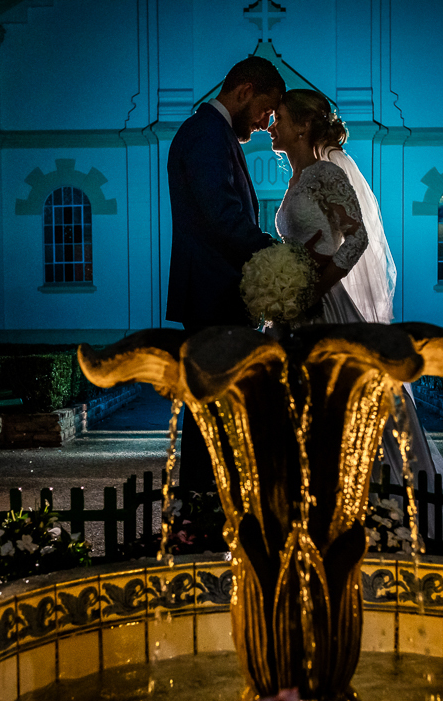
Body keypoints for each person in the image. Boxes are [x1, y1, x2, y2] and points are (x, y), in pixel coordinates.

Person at [268, 88, 443, 539]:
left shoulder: (326, 174)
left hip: (328, 308)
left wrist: (312, 287)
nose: (271, 126)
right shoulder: (295, 180)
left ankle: (385, 512)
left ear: (303, 126)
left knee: (357, 404)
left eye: (279, 118)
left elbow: (358, 238)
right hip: (296, 314)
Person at [165, 56, 285, 494]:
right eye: (265, 110)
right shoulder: (206, 134)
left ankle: (212, 497)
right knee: (210, 409)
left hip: (216, 292)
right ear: (246, 91)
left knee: (216, 406)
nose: (264, 122)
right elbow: (222, 216)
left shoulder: (211, 133)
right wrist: (275, 257)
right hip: (213, 294)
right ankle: (202, 500)